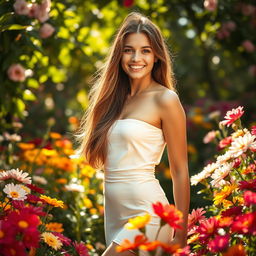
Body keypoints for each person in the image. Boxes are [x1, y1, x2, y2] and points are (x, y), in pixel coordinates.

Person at [76, 12, 190, 256]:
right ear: (119, 54)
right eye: (129, 50)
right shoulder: (112, 100)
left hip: (149, 215)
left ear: (157, 55)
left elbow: (180, 170)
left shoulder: (165, 99)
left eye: (145, 50)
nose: (136, 58)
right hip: (115, 216)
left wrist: (181, 233)